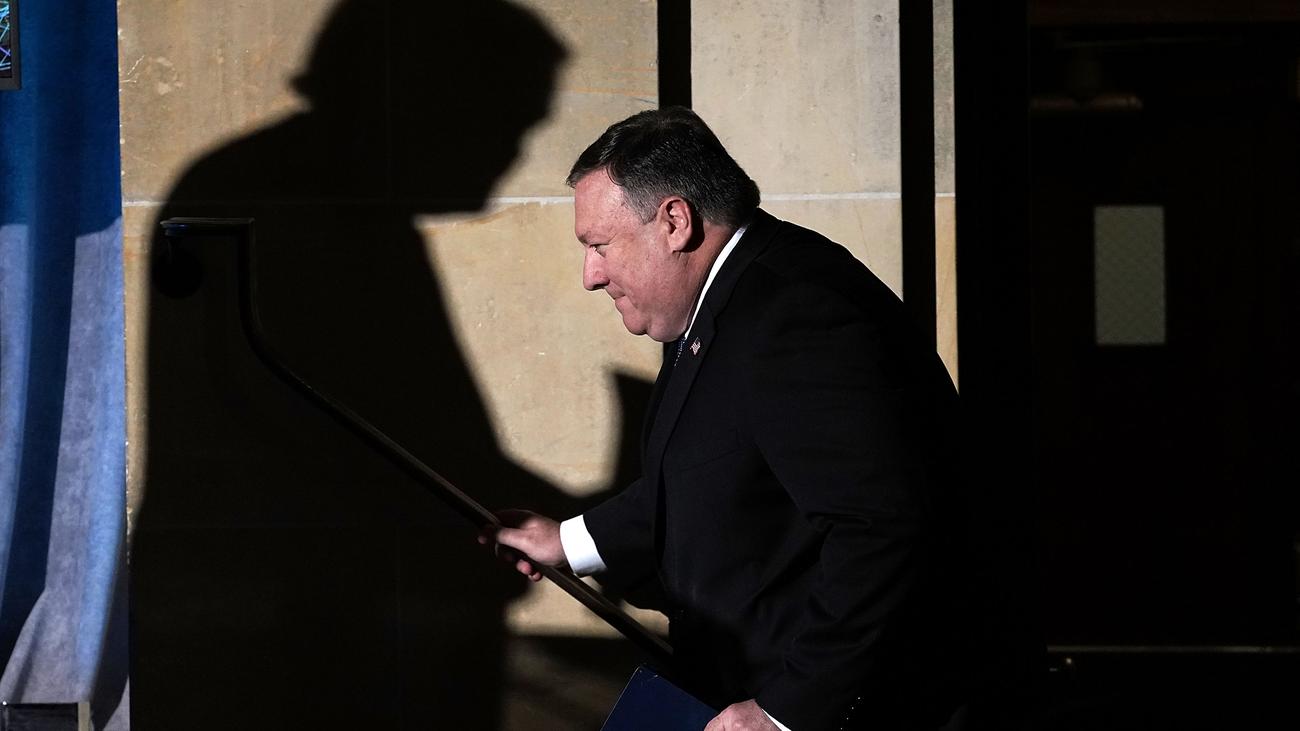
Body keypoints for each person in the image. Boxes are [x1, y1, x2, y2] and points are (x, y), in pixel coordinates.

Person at [483, 107, 970, 731]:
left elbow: (882, 530)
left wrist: (785, 711)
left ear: (675, 222)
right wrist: (568, 543)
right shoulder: (729, 300)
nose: (591, 276)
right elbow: (706, 476)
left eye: (599, 246)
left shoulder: (796, 313)